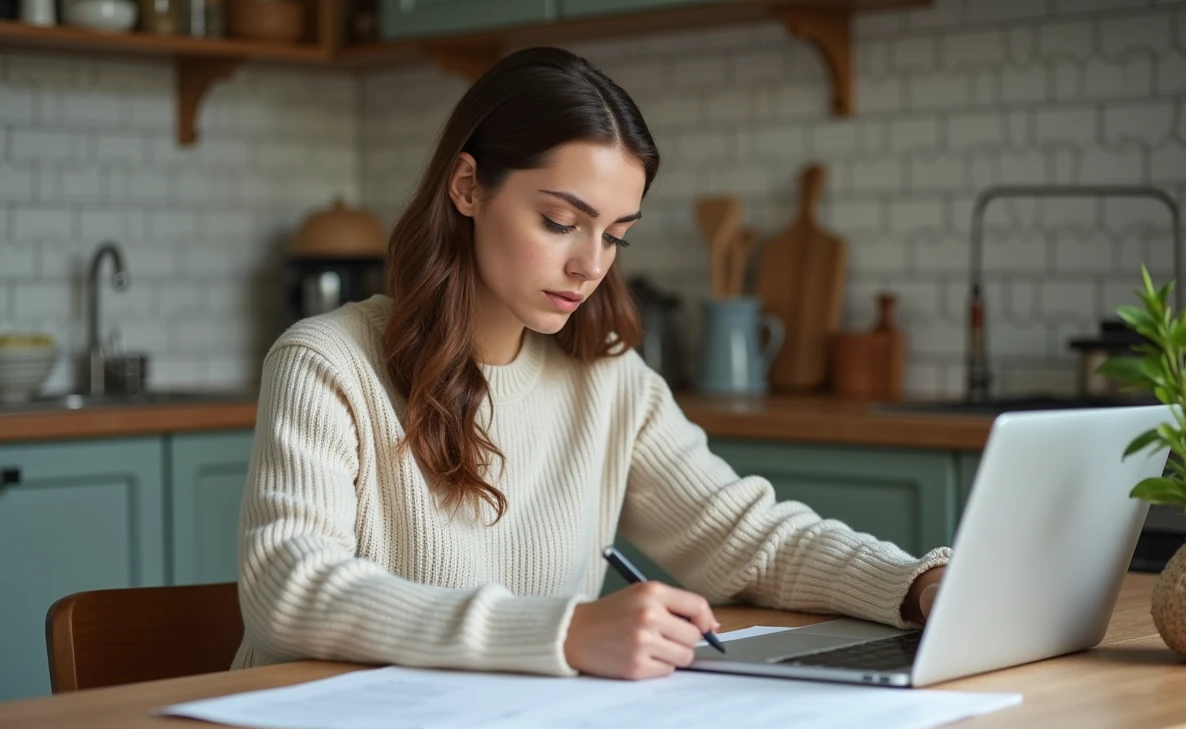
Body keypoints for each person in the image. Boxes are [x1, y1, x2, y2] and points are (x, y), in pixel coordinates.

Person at [232, 46, 950, 682]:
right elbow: (290, 590)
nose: (590, 265)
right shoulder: (326, 363)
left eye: (615, 237)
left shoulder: (609, 382)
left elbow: (750, 540)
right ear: (468, 187)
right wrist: (565, 633)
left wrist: (919, 584)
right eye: (560, 222)